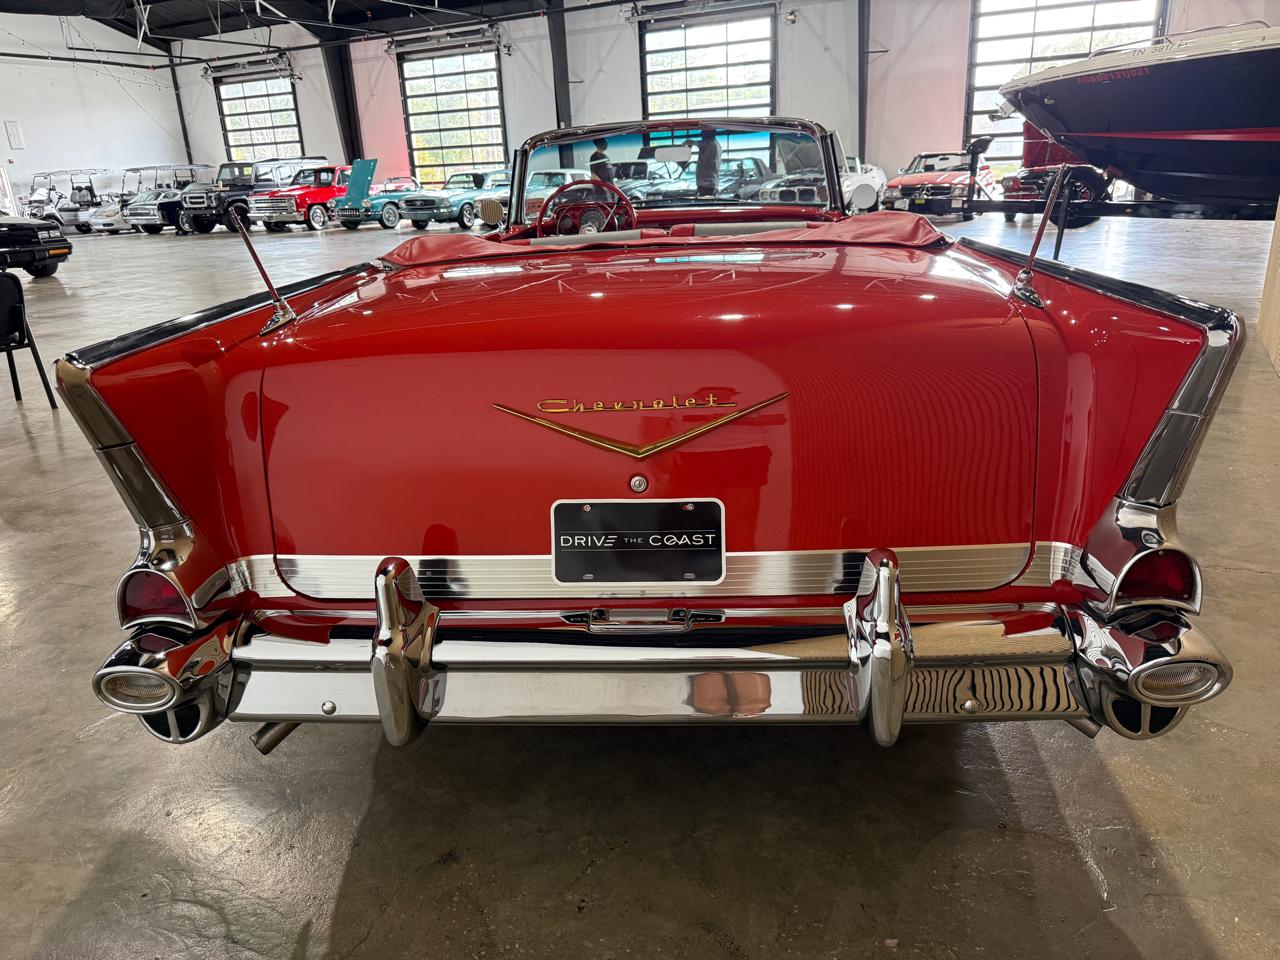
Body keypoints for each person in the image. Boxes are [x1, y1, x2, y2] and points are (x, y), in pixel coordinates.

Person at [695, 129, 720, 197]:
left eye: (703, 132)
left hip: (706, 185)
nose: (701, 134)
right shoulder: (716, 144)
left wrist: (685, 144)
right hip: (710, 184)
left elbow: (690, 142)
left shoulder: (709, 143)